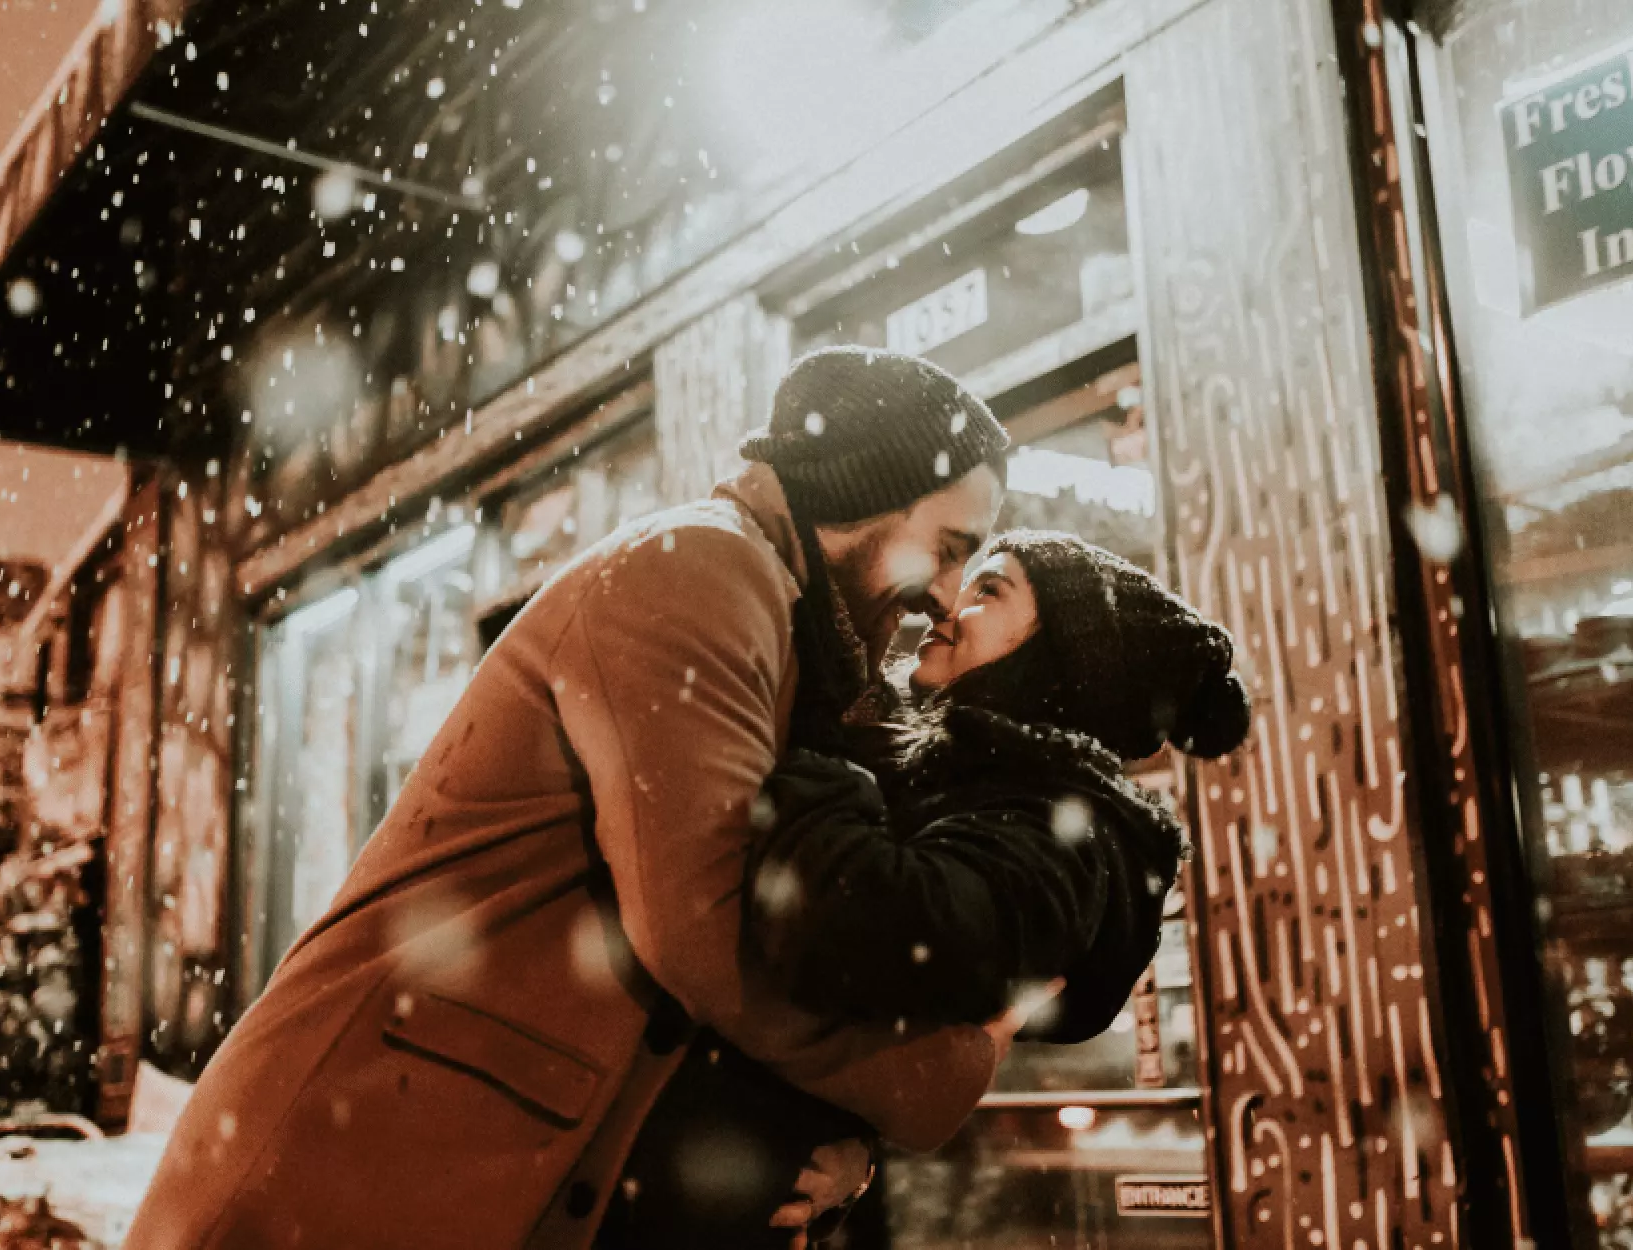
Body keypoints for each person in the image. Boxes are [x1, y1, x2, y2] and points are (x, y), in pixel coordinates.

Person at [125, 347, 1015, 1250]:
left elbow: (777, 945)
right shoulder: (703, 571)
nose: (946, 599)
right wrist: (945, 1070)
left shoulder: (792, 632)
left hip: (427, 1171)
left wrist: (844, 1140)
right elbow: (705, 937)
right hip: (346, 1174)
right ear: (865, 492)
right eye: (949, 549)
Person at [593, 531, 1251, 1248]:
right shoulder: (968, 793)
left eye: (987, 591)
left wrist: (817, 749)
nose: (942, 608)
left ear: (1058, 658)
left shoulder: (1057, 834)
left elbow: (860, 929)